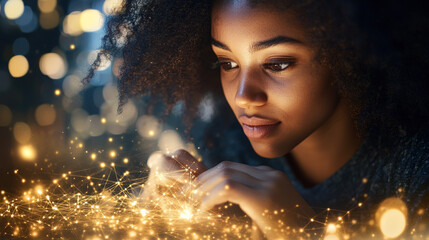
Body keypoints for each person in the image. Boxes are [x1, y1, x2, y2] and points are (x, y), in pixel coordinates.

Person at [85, 0, 429, 238]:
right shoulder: (224, 141)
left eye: (277, 64)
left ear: (352, 53)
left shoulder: (417, 167)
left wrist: (303, 234)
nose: (243, 96)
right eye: (227, 64)